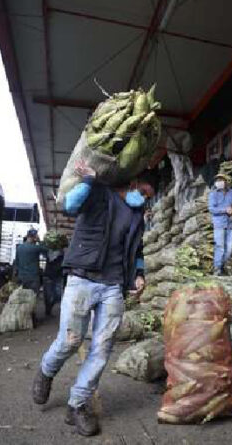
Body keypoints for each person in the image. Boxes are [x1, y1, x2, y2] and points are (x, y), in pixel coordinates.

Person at [32, 160, 153, 436]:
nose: (146, 198)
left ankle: (77, 405)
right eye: (146, 192)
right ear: (134, 184)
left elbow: (137, 249)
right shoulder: (98, 192)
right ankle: (46, 371)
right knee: (70, 341)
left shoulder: (137, 214)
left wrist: (139, 273)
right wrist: (88, 180)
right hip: (82, 277)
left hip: (112, 285)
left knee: (102, 347)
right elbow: (70, 206)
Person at [208, 173, 232, 276]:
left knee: (230, 248)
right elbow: (211, 209)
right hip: (219, 224)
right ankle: (217, 269)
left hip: (230, 224)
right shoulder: (213, 194)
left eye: (221, 180)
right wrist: (224, 210)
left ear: (225, 181)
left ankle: (222, 266)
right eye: (217, 180)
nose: (218, 182)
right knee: (220, 246)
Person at [43, 246, 65, 316]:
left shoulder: (62, 253)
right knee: (48, 295)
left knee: (58, 295)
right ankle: (48, 310)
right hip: (49, 275)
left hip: (58, 276)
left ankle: (49, 307)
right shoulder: (48, 252)